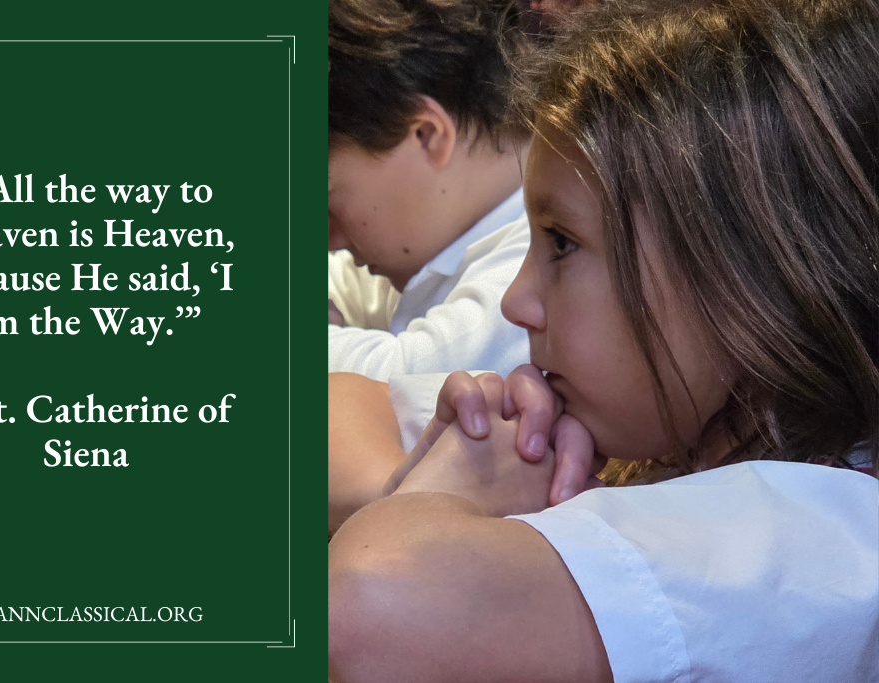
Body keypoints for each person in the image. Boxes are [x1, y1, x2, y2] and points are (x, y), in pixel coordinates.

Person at [329, 0, 879, 681]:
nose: (516, 300)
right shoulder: (649, 435)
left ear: (750, 277)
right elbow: (323, 411)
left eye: (562, 243)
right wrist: (441, 487)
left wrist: (438, 501)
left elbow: (372, 606)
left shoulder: (824, 531)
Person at [327, 0, 537, 381]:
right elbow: (341, 284)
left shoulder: (540, 260)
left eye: (327, 202)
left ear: (427, 134)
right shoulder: (438, 234)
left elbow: (407, 379)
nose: (329, 239)